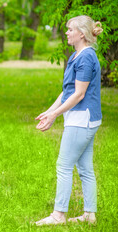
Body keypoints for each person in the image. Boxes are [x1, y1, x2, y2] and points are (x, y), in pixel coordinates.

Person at [34, 15, 103, 226]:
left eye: (70, 29)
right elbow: (67, 91)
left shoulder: (85, 57)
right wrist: (49, 111)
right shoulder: (76, 55)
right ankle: (89, 216)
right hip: (82, 119)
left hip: (82, 120)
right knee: (85, 169)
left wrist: (55, 115)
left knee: (64, 166)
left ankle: (58, 215)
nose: (66, 32)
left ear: (81, 34)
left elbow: (79, 94)